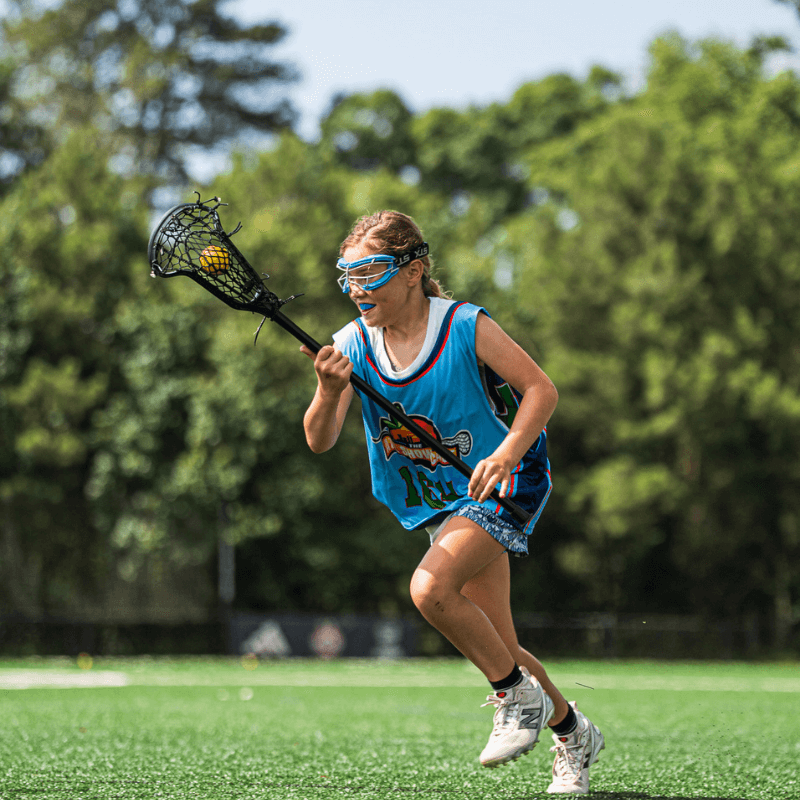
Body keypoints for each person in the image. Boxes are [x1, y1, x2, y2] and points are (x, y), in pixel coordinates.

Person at [300, 210, 604, 794]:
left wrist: (508, 453)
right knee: (502, 644)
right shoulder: (350, 345)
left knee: (428, 589)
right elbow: (319, 440)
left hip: (502, 480)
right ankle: (572, 731)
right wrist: (328, 388)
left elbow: (542, 389)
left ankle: (515, 700)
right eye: (347, 277)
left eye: (370, 273)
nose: (357, 290)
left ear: (412, 270)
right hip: (443, 501)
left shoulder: (464, 325)